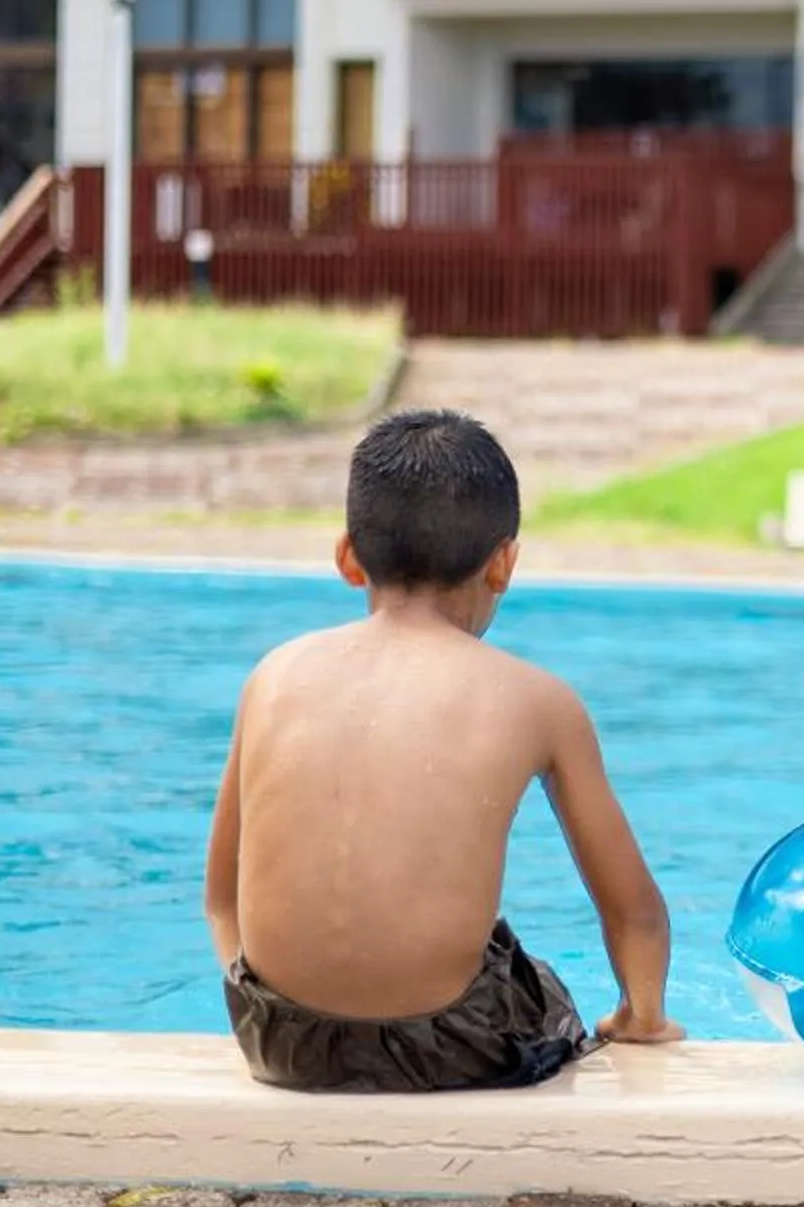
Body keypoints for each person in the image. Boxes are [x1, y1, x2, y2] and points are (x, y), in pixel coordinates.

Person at [204, 409, 680, 1091]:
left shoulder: (272, 675)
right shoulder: (538, 700)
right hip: (445, 1051)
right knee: (535, 984)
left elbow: (221, 898)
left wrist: (264, 1005)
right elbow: (633, 910)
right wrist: (644, 1016)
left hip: (278, 1044)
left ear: (347, 556)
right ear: (503, 564)